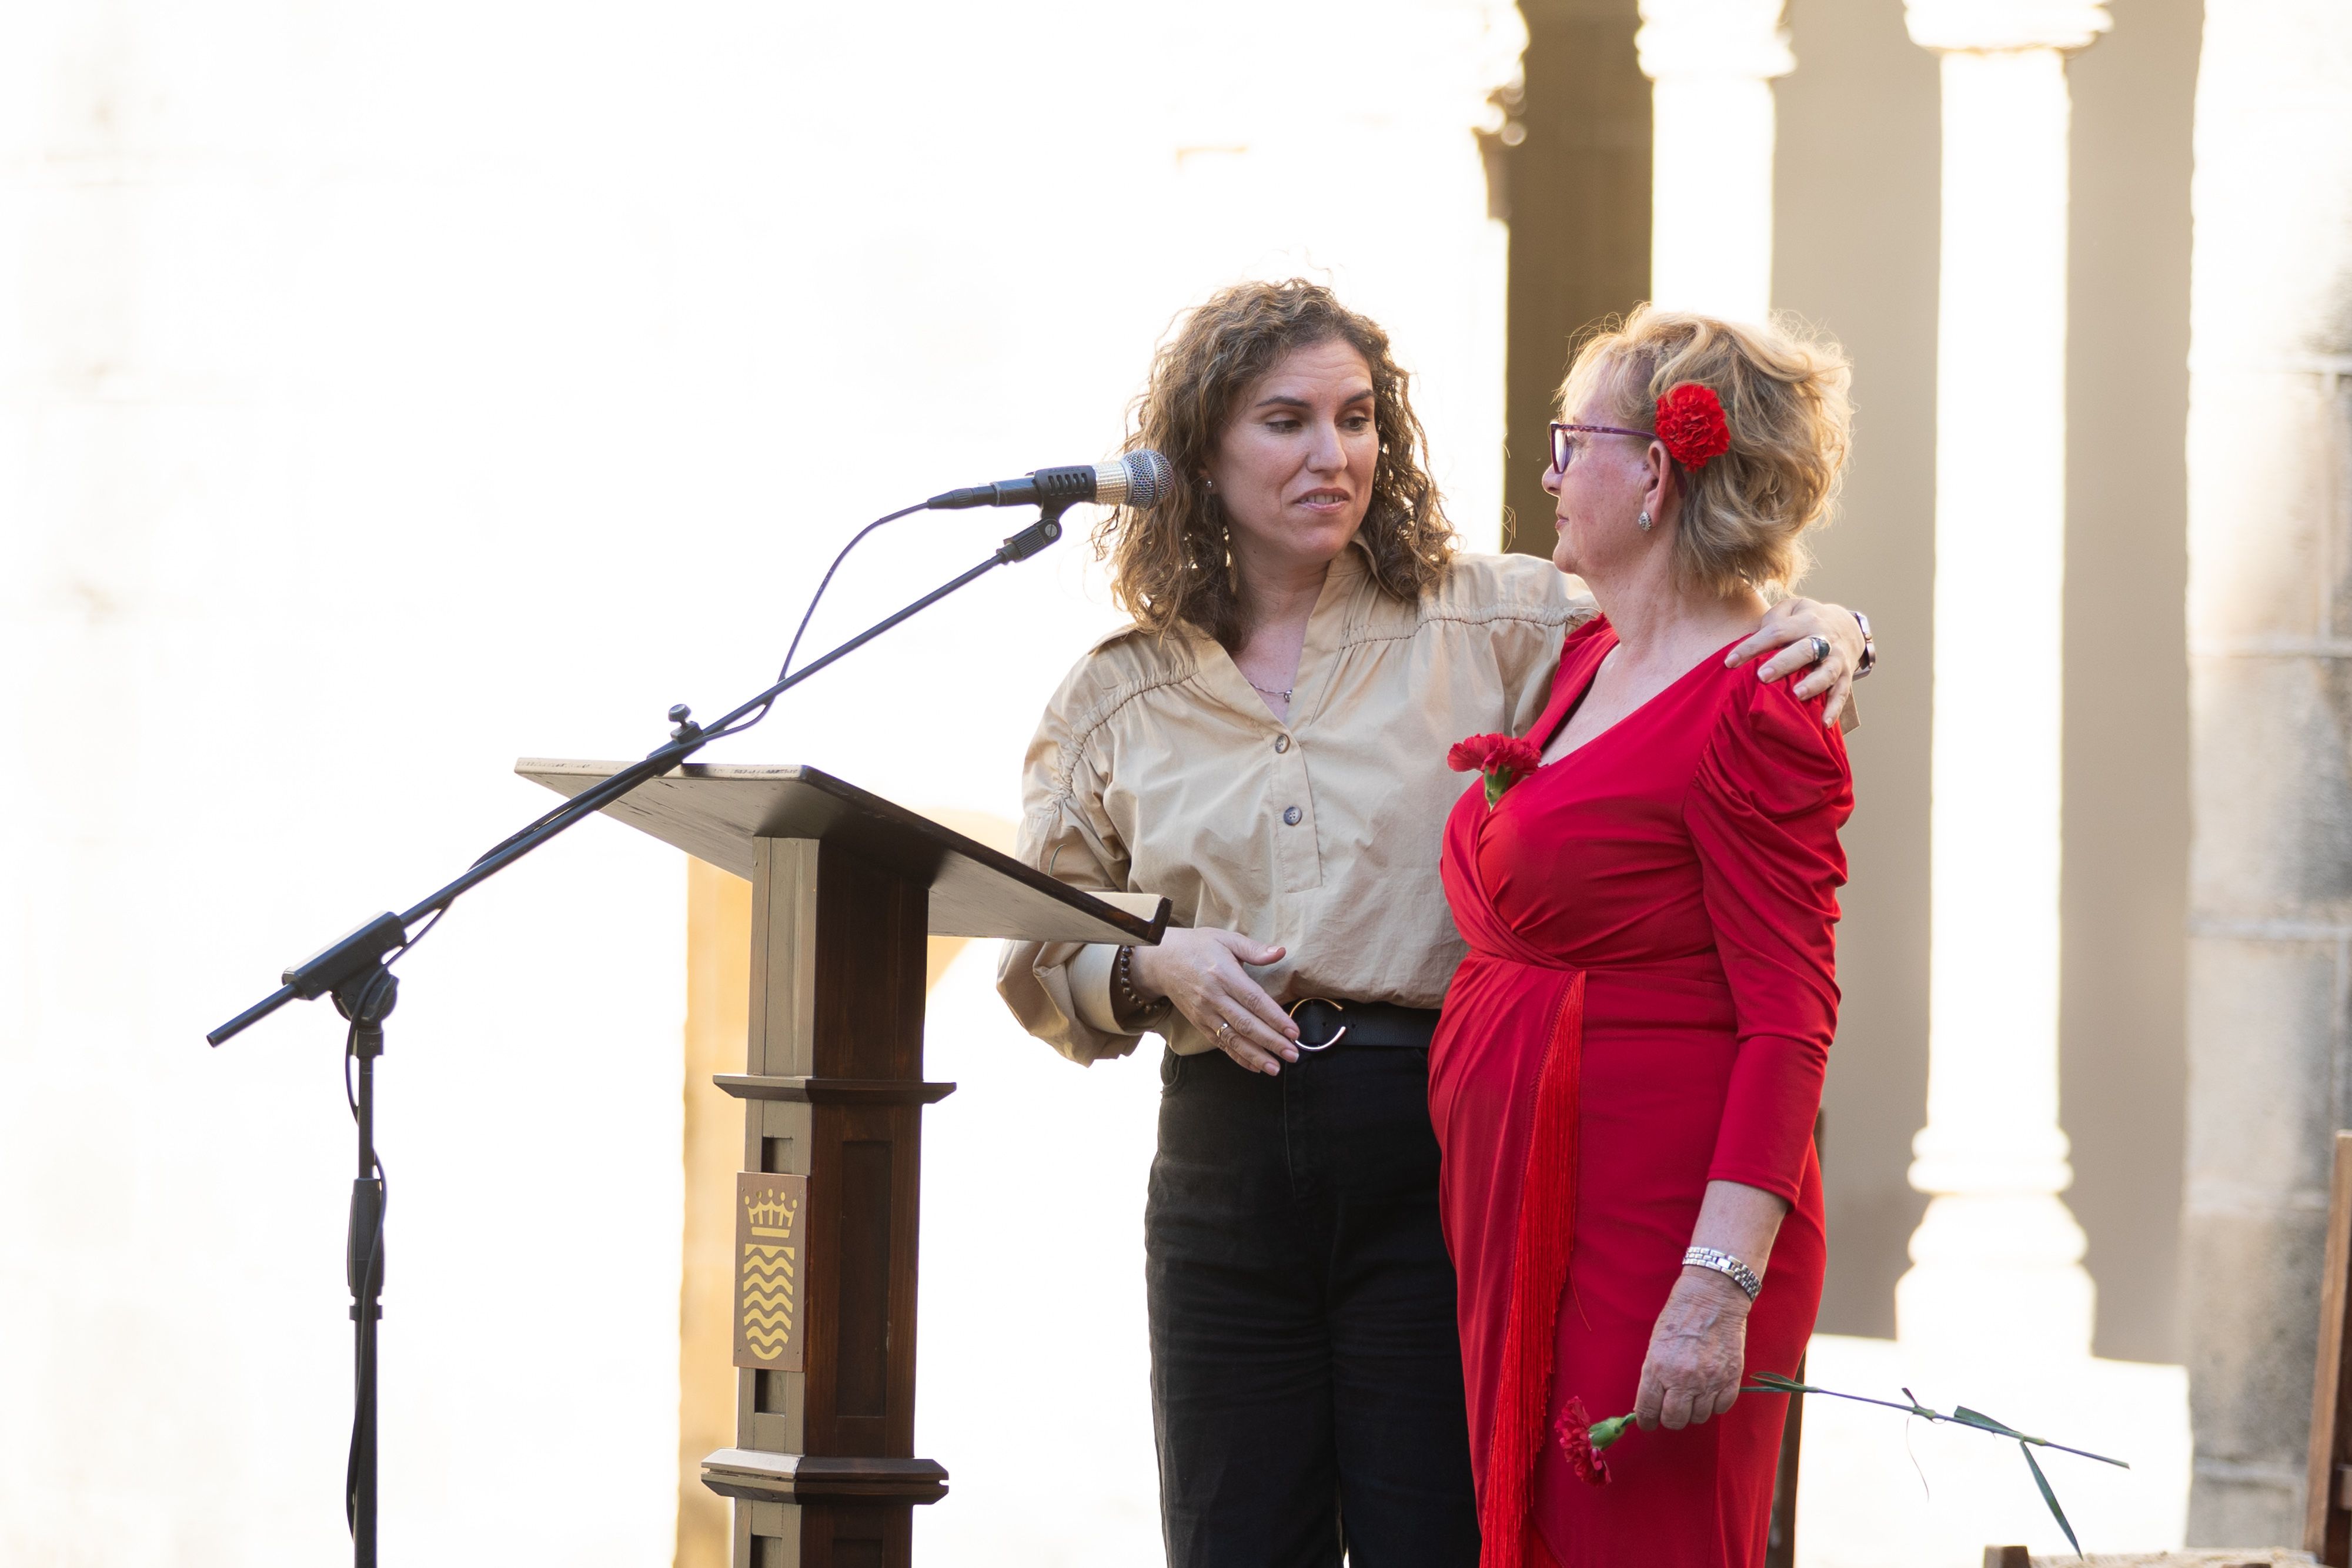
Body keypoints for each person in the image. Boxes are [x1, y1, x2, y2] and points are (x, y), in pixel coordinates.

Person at [995, 280, 1867, 1568]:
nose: (1329, 453)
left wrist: (1841, 626)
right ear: (1200, 452)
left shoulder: (1501, 617)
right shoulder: (1113, 696)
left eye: (1353, 419)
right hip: (1225, 1156)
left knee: (1440, 1536)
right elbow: (1031, 942)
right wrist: (1148, 961)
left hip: (1434, 1152)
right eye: (1283, 420)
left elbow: (1695, 625)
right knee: (1233, 1539)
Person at [1427, 306, 1855, 1568]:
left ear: (1658, 472)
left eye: (1570, 442)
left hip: (1658, 1228)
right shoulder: (1583, 656)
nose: (1548, 475)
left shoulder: (1760, 706)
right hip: (1526, 1197)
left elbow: (1791, 1021)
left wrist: (1712, 1286)